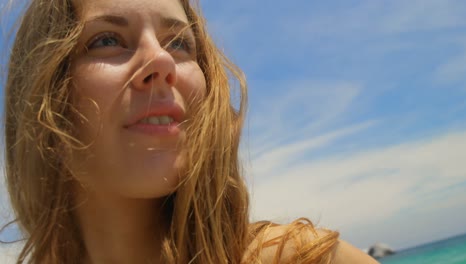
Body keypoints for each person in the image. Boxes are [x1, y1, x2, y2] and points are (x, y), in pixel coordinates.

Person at [1, 0, 378, 263]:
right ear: (43, 96)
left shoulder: (300, 259)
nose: (162, 60)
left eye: (179, 43)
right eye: (107, 40)